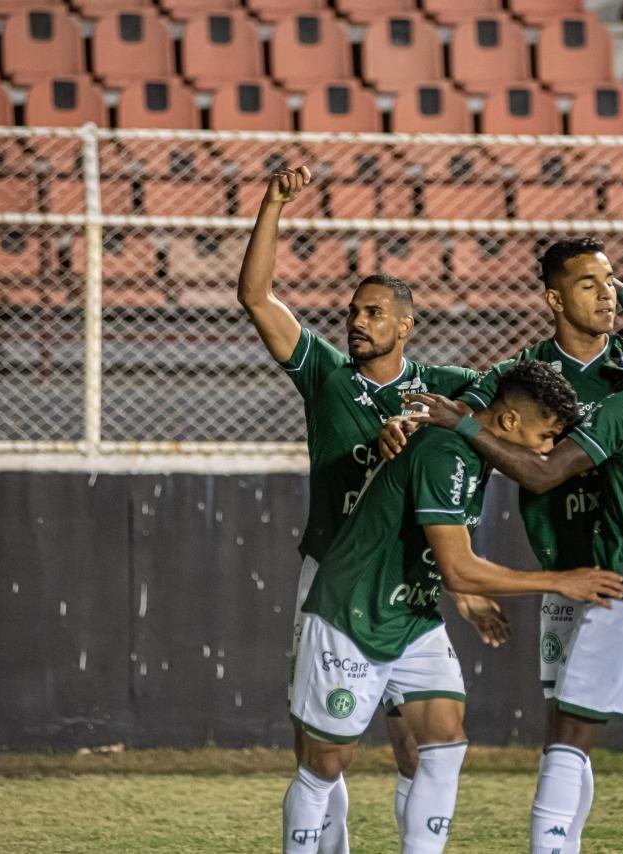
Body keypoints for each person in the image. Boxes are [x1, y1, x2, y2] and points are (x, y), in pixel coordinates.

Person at [382, 239, 623, 853]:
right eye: (588, 284)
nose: (605, 294)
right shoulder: (522, 374)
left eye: (610, 283)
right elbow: (467, 434)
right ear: (553, 297)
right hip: (573, 575)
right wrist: (404, 422)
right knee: (570, 730)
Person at [237, 164, 509, 853]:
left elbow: (508, 411)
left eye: (373, 312)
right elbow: (257, 296)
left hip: (406, 584)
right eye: (353, 312)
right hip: (329, 578)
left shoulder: (445, 388)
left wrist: (433, 425)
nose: (356, 323)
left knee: (420, 745)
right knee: (320, 744)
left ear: (407, 325)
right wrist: (272, 204)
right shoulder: (327, 374)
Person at [284, 361, 623, 854]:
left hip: (413, 614)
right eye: (547, 435)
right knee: (325, 766)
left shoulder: (473, 452)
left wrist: (465, 597)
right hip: (353, 612)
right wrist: (560, 581)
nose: (549, 450)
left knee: (444, 744)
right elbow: (458, 566)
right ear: (509, 422)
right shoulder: (446, 452)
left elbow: (430, 548)